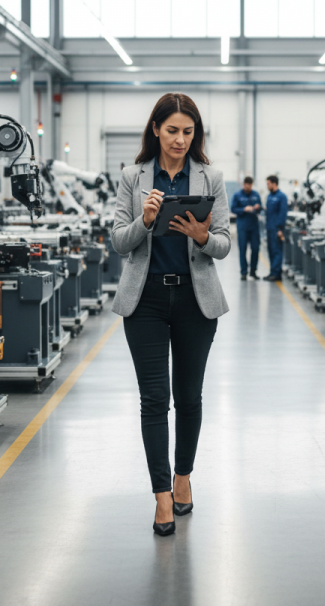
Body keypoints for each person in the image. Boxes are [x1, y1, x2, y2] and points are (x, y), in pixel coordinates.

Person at [111, 92, 231, 537]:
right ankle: (162, 494)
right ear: (156, 130)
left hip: (195, 303)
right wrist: (144, 220)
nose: (180, 139)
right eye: (172, 130)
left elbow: (224, 243)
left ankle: (183, 476)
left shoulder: (211, 178)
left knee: (190, 397)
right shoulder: (132, 176)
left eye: (188, 131)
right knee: (154, 400)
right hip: (144, 302)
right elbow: (119, 242)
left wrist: (202, 236)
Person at [230, 176, 262, 280]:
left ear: (252, 185)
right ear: (244, 184)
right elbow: (233, 208)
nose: (248, 187)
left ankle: (253, 271)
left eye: (250, 185)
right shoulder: (237, 195)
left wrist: (258, 208)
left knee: (255, 249)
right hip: (243, 226)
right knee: (242, 249)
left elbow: (260, 208)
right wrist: (244, 209)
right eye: (247, 185)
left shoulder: (256, 195)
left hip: (254, 227)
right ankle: (244, 272)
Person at [264, 174, 288, 282]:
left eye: (268, 184)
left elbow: (282, 214)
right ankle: (272, 272)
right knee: (270, 250)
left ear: (274, 183)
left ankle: (276, 273)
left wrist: (280, 229)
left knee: (277, 250)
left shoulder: (281, 196)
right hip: (269, 228)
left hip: (276, 229)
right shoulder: (269, 196)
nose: (267, 186)